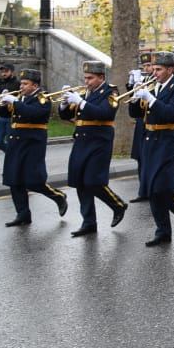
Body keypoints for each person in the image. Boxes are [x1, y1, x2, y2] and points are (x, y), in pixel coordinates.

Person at [128, 51, 174, 247]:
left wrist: (150, 98)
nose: (154, 73)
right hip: (149, 139)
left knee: (161, 187)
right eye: (153, 69)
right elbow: (136, 113)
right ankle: (163, 231)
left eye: (158, 69)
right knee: (151, 189)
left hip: (167, 139)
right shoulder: (152, 86)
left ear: (170, 69)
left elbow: (172, 113)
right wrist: (135, 96)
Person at [57, 61, 127, 236]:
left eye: (90, 78)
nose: (86, 81)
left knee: (93, 181)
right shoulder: (85, 92)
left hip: (99, 140)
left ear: (101, 77)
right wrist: (65, 104)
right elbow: (65, 115)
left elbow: (105, 113)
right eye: (85, 78)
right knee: (80, 181)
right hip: (81, 140)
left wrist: (80, 102)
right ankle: (89, 222)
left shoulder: (111, 91)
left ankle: (117, 205)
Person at [0, 69, 69, 227]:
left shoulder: (42, 98)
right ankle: (22, 214)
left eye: (25, 84)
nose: (21, 86)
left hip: (33, 142)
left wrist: (15, 102)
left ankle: (58, 196)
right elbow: (5, 114)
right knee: (13, 179)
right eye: (21, 83)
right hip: (16, 141)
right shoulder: (19, 97)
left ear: (35, 85)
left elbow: (34, 114)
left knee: (34, 180)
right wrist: (3, 104)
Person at [127, 54, 154, 203]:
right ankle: (142, 191)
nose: (147, 69)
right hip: (140, 123)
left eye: (149, 66)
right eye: (144, 66)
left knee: (149, 158)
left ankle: (153, 188)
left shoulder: (155, 82)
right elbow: (134, 104)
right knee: (140, 158)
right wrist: (132, 85)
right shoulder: (143, 81)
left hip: (151, 123)